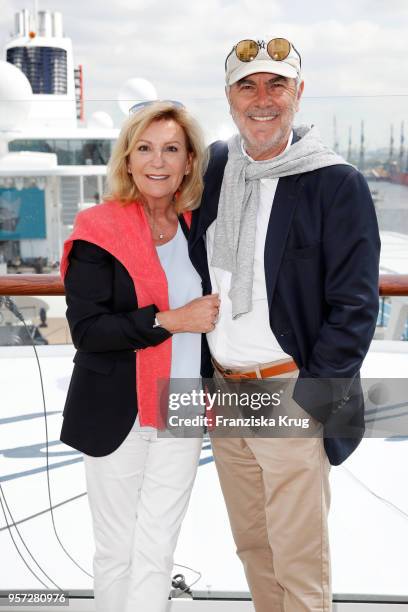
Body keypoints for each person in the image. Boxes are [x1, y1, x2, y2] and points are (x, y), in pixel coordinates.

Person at [189, 38, 381, 612]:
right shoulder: (218, 166)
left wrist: (313, 398)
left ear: (299, 93)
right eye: (247, 85)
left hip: (289, 389)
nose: (262, 99)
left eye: (277, 84)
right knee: (253, 546)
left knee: (299, 558)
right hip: (226, 389)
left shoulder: (334, 182)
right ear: (229, 98)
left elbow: (355, 306)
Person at [60, 101, 219, 612]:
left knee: (158, 547)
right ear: (127, 160)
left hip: (184, 403)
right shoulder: (98, 227)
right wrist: (171, 320)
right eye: (145, 148)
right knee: (116, 551)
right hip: (116, 406)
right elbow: (88, 330)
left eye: (171, 149)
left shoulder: (201, 228)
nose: (158, 161)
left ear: (189, 161)